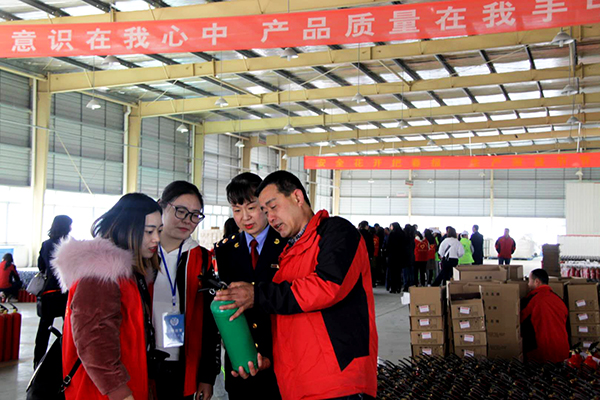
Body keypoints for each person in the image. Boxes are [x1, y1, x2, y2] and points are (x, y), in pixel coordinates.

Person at [214, 171, 378, 400]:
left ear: (298, 197)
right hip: (296, 384)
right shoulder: (290, 253)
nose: (270, 217)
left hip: (337, 383)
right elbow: (287, 319)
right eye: (266, 211)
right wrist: (269, 359)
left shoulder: (336, 232)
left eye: (273, 207)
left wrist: (257, 295)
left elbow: (326, 286)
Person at [52, 193, 162, 400]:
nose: (156, 238)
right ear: (127, 228)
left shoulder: (129, 275)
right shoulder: (100, 276)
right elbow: (94, 343)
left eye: (159, 230)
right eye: (149, 231)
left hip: (127, 384)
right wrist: (120, 393)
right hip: (103, 393)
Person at [214, 173, 285, 399]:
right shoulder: (225, 250)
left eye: (251, 208)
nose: (244, 217)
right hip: (241, 361)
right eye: (236, 210)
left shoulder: (286, 244)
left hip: (280, 359)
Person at [154, 181, 220, 400]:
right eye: (181, 211)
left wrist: (207, 376)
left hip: (183, 364)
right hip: (141, 360)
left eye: (195, 215)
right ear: (162, 206)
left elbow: (211, 323)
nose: (187, 220)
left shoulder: (202, 259)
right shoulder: (140, 255)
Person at [33, 215, 72, 368]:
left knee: (44, 328)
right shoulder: (70, 244)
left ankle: (38, 362)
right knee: (67, 327)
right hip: (66, 291)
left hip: (49, 291)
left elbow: (41, 266)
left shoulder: (46, 244)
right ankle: (65, 359)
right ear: (66, 227)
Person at [521, 269, 569, 363]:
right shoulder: (559, 300)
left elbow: (518, 321)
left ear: (537, 282)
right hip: (562, 352)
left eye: (529, 281)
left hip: (542, 354)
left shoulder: (532, 300)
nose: (528, 284)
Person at [386, 222, 405, 293]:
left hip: (392, 256)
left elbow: (388, 245)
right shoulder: (402, 234)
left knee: (392, 273)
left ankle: (393, 288)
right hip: (400, 256)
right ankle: (398, 287)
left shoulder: (392, 234)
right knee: (398, 273)